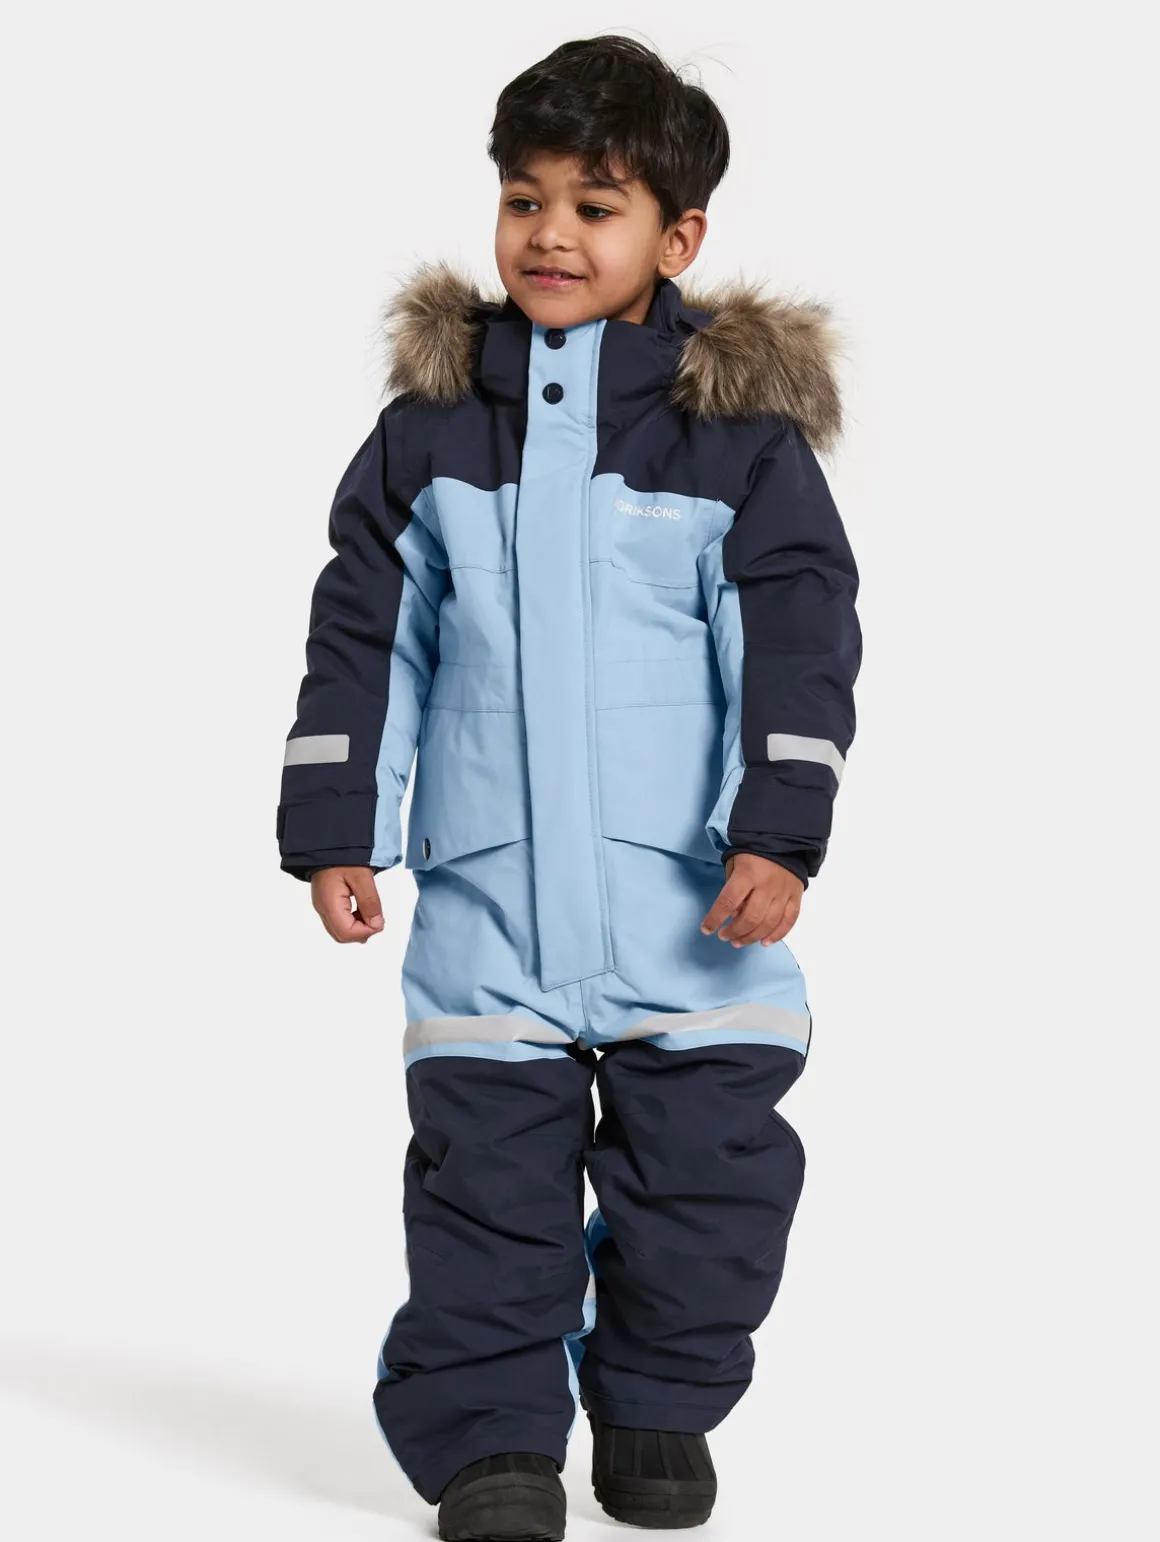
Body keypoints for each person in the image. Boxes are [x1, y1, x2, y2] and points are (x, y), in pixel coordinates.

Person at [276, 33, 861, 1541]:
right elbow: (366, 634)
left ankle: (659, 1399)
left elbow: (796, 643)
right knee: (486, 1194)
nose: (550, 234)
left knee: (713, 1193)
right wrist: (339, 828)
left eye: (596, 207)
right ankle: (493, 1444)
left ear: (679, 238)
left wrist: (779, 835)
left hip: (694, 915)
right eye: (524, 199)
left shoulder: (734, 444)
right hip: (493, 907)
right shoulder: (430, 434)